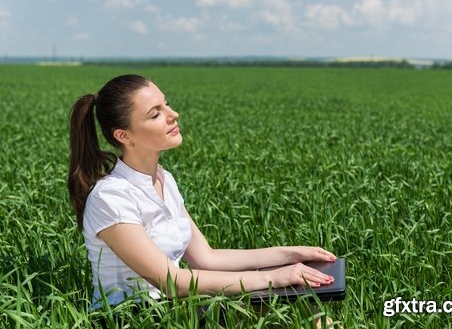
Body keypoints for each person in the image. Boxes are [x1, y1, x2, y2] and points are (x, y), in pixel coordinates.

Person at [67, 74, 336, 320]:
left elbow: (207, 258)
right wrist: (272, 278)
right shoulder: (112, 197)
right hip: (132, 316)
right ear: (123, 135)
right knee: (292, 311)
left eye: (167, 104)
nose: (173, 114)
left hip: (173, 307)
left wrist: (289, 255)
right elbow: (171, 282)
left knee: (305, 305)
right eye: (155, 114)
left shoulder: (163, 180)